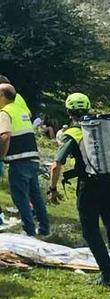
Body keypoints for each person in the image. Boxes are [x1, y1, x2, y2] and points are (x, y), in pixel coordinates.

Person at [48, 93, 110, 286]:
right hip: (107, 183)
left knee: (90, 231)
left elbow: (56, 164)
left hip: (88, 186)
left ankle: (107, 276)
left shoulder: (74, 132)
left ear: (69, 111)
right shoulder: (100, 128)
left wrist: (52, 188)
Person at [0, 83, 50, 237]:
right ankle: (44, 228)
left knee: (20, 197)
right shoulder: (21, 110)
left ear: (2, 96)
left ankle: (28, 231)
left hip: (18, 160)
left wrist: (1, 155)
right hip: (32, 158)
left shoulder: (4, 113)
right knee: (35, 196)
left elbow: (5, 136)